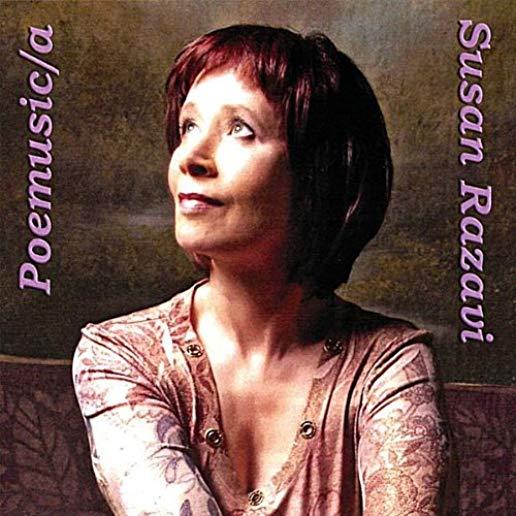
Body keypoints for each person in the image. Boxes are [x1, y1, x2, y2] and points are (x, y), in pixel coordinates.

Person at [72, 24, 453, 515]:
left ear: (317, 174)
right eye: (189, 126)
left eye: (240, 129)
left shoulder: (389, 364)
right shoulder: (122, 356)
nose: (191, 158)